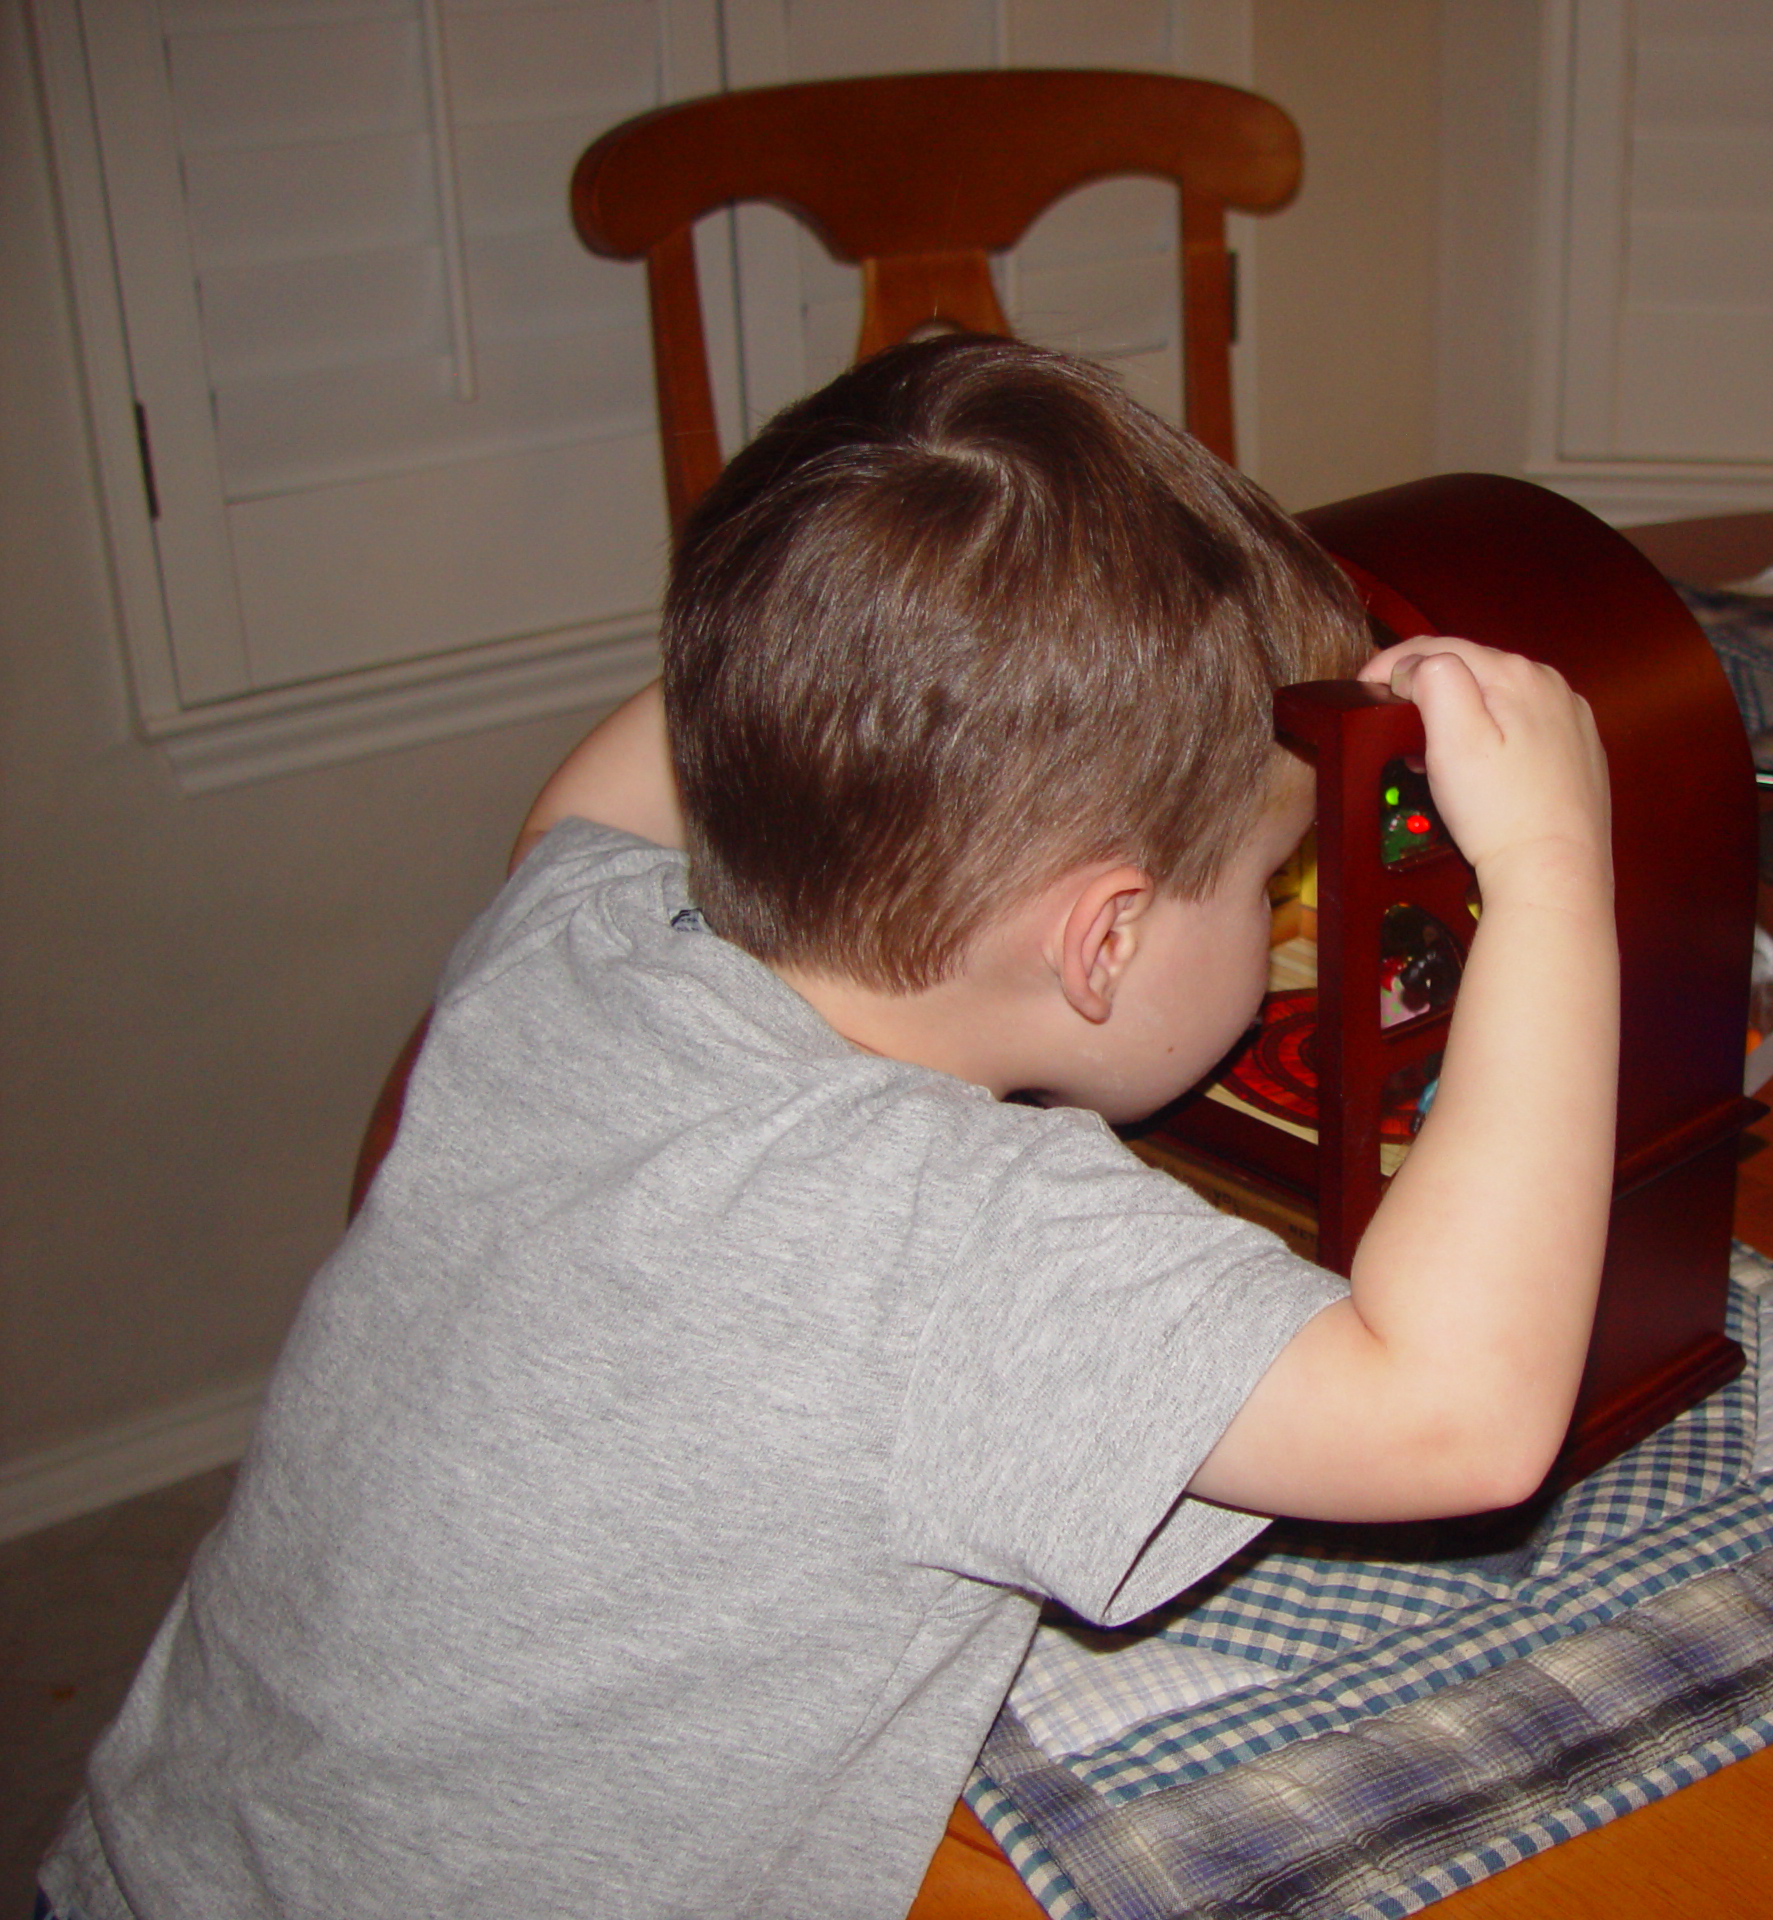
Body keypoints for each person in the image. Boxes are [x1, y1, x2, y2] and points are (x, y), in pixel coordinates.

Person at [39, 336, 1619, 1920]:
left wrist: (873, 637)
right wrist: (1553, 871)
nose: (1289, 906)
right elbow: (1460, 1414)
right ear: (1105, 942)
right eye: (1268, 880)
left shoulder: (573, 944)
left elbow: (621, 775)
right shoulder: (949, 1243)